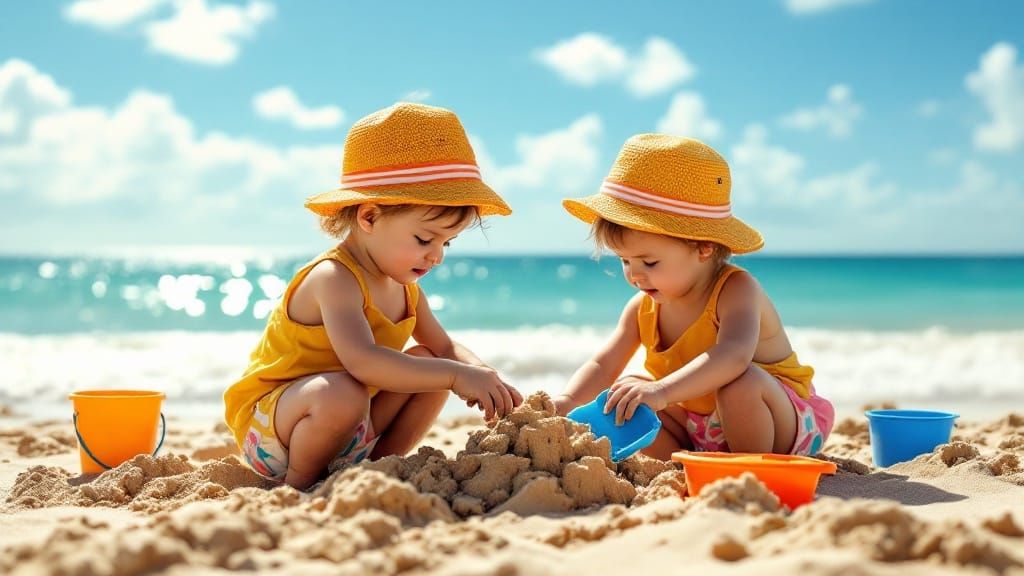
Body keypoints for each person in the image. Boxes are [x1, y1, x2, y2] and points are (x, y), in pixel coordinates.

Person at [224, 103, 522, 489]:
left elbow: (445, 346)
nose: (436, 256)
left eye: (447, 242)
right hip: (275, 431)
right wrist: (454, 374)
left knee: (428, 362)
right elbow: (362, 362)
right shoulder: (334, 278)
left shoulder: (406, 288)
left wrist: (482, 374)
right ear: (368, 218)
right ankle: (297, 486)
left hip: (352, 426)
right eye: (424, 239)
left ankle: (381, 466)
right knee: (346, 392)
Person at [554, 134, 834, 460]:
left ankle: (752, 471)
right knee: (625, 393)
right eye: (624, 261)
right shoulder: (641, 309)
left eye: (649, 262)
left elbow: (733, 356)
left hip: (780, 421)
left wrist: (662, 390)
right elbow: (603, 364)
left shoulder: (736, 289)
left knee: (739, 384)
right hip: (701, 428)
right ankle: (685, 463)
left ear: (704, 246)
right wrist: (569, 401)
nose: (634, 275)